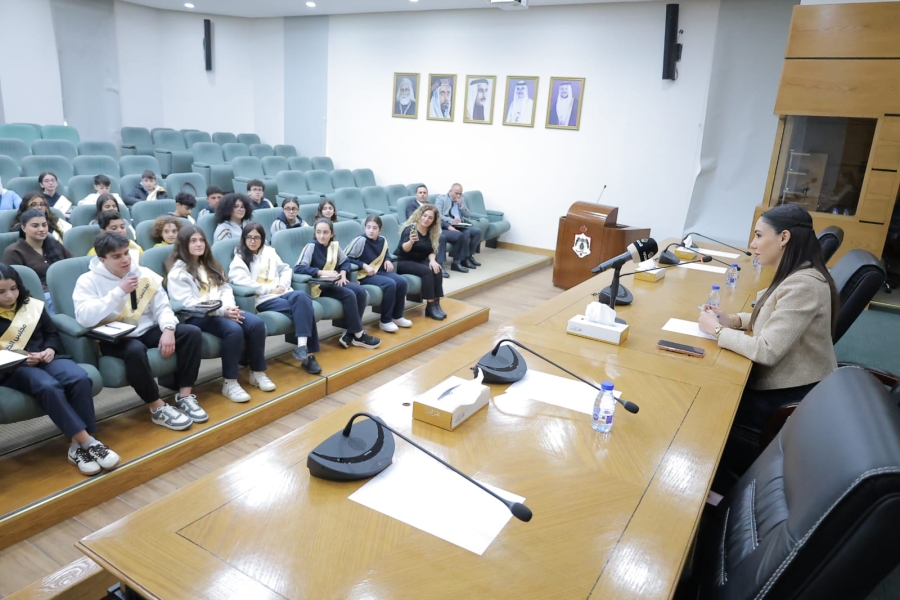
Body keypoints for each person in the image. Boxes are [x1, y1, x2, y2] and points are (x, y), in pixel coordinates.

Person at [698, 204, 839, 480]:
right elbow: (772, 317)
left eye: (759, 235)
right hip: (786, 385)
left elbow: (767, 350)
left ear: (784, 237)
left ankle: (715, 488)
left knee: (707, 407)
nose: (753, 244)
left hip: (789, 397)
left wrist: (717, 330)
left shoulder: (804, 284)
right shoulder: (798, 273)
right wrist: (732, 319)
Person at [0, 264, 120, 475]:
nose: (10, 295)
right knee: (48, 386)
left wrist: (50, 349)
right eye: (1, 291)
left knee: (79, 377)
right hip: (13, 368)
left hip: (46, 357)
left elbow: (51, 333)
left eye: (14, 288)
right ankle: (89, 442)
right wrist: (20, 359)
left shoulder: (30, 305)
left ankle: (76, 447)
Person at [74, 232, 202, 431]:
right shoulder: (87, 280)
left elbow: (162, 307)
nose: (125, 259)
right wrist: (119, 292)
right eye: (117, 256)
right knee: (135, 350)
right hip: (115, 338)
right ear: (102, 259)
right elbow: (85, 318)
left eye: (126, 253)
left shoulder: (143, 273)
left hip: (146, 329)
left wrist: (168, 329)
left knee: (191, 333)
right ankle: (157, 407)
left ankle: (184, 396)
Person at [165, 225, 275, 402]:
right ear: (183, 244)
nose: (199, 244)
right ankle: (230, 383)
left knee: (256, 324)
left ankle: (257, 372)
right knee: (233, 330)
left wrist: (229, 307)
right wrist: (223, 311)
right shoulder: (178, 273)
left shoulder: (210, 264)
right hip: (197, 317)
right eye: (193, 241)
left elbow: (225, 288)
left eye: (201, 240)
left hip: (223, 310)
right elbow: (189, 304)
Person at [228, 223, 322, 374]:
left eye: (257, 238)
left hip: (283, 291)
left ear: (262, 239)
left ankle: (301, 347)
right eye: (249, 237)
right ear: (244, 239)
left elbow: (286, 269)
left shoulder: (270, 252)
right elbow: (241, 281)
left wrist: (282, 284)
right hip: (264, 298)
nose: (253, 241)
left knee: (302, 297)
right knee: (305, 310)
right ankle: (308, 356)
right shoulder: (240, 258)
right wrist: (269, 289)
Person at [295, 218, 381, 349]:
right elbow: (298, 268)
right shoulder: (311, 247)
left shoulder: (334, 246)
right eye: (318, 232)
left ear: (331, 234)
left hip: (334, 282)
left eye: (325, 232)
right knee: (349, 294)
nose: (322, 236)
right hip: (319, 285)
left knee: (361, 291)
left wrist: (343, 274)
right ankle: (359, 335)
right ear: (315, 233)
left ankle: (351, 333)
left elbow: (345, 262)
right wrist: (321, 272)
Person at [345, 215, 413, 333]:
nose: (371, 231)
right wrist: (364, 265)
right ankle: (385, 321)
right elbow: (345, 258)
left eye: (375, 228)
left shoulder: (382, 240)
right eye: (368, 227)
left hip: (379, 271)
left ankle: (397, 316)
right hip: (364, 275)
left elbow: (386, 253)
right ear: (364, 228)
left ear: (380, 230)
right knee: (390, 284)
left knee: (402, 281)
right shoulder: (360, 240)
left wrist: (387, 260)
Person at [3, 208, 73, 315]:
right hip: (38, 295)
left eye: (44, 225)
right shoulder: (14, 251)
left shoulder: (54, 244)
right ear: (23, 228)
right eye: (35, 226)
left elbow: (71, 264)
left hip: (64, 288)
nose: (41, 229)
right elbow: (17, 284)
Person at [395, 204, 446, 320]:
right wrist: (411, 242)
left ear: (433, 221)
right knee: (427, 271)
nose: (426, 219)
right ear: (420, 215)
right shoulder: (410, 229)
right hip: (403, 260)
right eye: (425, 216)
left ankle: (436, 303)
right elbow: (404, 249)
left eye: (430, 218)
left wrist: (432, 261)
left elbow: (432, 250)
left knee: (437, 269)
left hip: (418, 260)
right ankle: (431, 304)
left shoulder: (431, 231)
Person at [434, 183, 483, 271]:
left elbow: (468, 214)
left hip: (460, 224)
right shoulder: (441, 199)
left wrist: (461, 206)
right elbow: (438, 215)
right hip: (448, 225)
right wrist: (451, 220)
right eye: (456, 193)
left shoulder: (461, 199)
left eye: (460, 193)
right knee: (466, 233)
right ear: (450, 191)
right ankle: (458, 261)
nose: (458, 196)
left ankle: (468, 256)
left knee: (477, 231)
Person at [405, 185, 448, 279]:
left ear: (427, 194)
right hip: (421, 230)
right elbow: (413, 219)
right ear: (416, 194)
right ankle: (440, 263)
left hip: (434, 229)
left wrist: (449, 226)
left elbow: (438, 219)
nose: (422, 195)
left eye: (424, 193)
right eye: (420, 192)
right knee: (441, 237)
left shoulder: (430, 205)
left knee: (459, 234)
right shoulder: (412, 206)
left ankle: (459, 261)